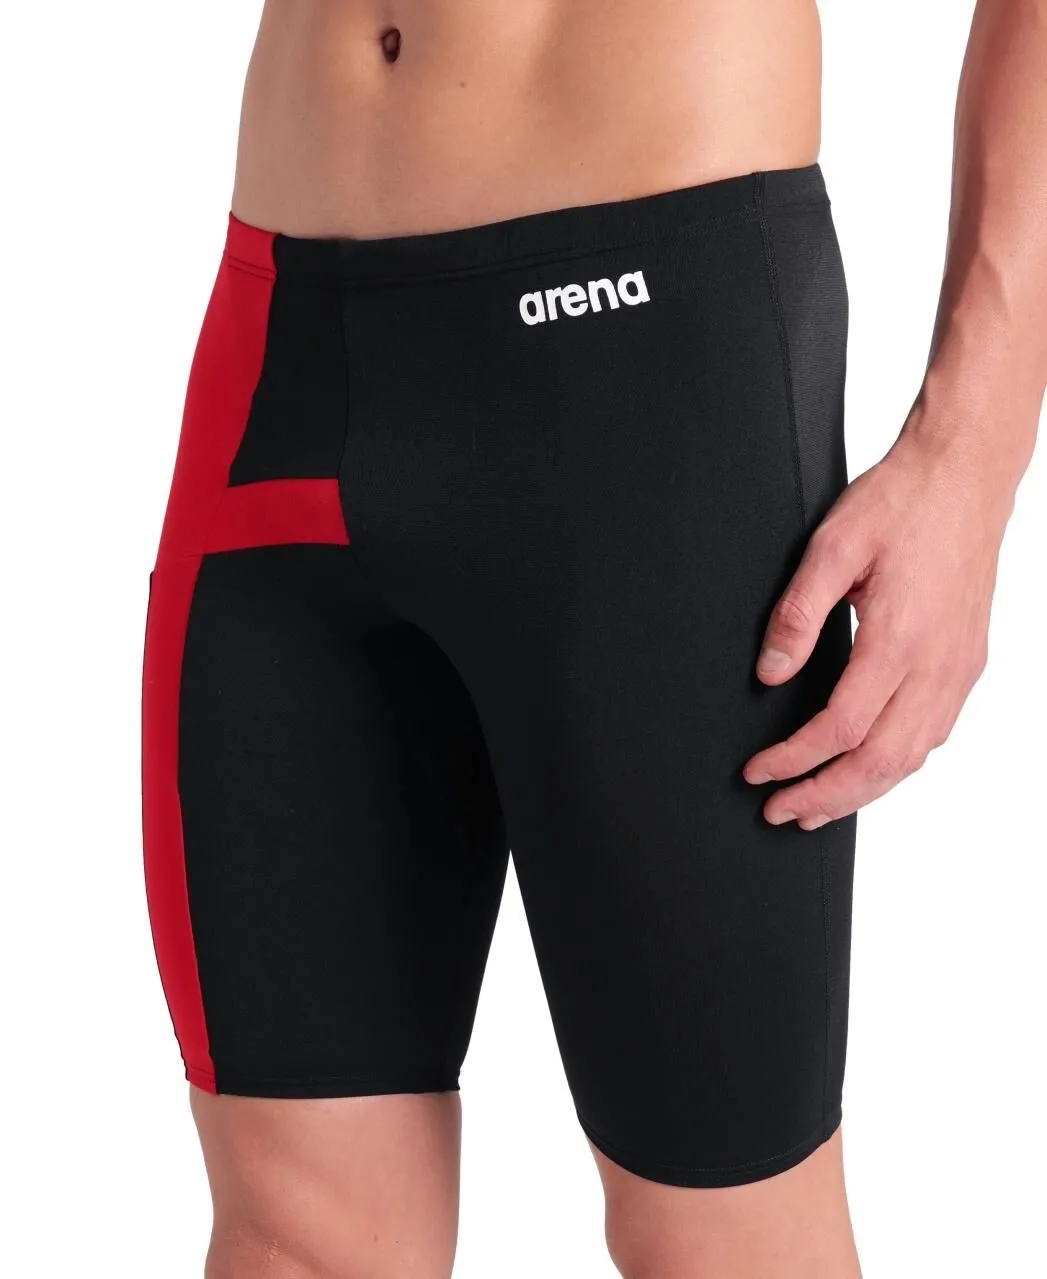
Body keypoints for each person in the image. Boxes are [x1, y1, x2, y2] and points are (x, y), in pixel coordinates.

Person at [141, 2, 1044, 1275]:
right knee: (297, 1234)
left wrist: (973, 454)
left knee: (726, 1240)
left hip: (648, 369)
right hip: (279, 349)